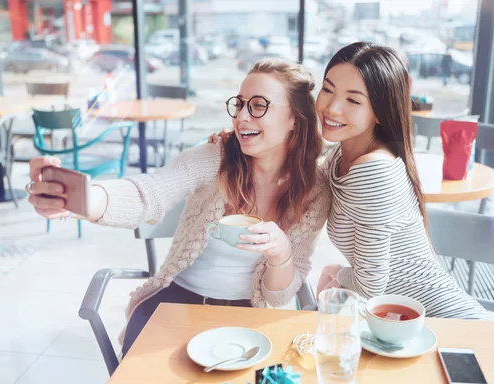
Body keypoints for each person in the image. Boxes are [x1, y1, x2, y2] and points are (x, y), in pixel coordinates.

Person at [25, 58, 331, 354]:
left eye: (259, 105)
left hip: (248, 314)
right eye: (239, 104)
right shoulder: (216, 157)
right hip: (175, 301)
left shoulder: (313, 190)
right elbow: (150, 192)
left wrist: (281, 254)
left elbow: (277, 295)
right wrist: (82, 198)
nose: (241, 117)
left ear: (295, 118)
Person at [316, 42, 485, 319]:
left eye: (353, 100)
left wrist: (335, 271)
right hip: (405, 324)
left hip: (446, 321)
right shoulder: (341, 154)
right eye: (327, 89)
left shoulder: (373, 172)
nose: (332, 108)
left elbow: (369, 287)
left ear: (380, 112)